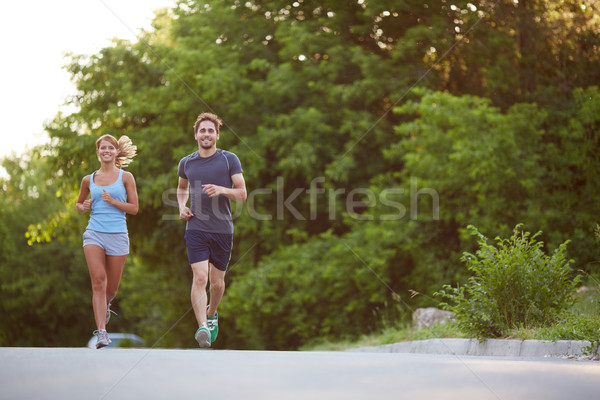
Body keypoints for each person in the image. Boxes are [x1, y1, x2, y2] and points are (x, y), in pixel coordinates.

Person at [177, 112, 246, 348]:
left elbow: (242, 194)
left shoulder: (229, 160)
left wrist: (221, 189)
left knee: (217, 283)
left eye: (210, 130)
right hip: (196, 226)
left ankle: (212, 312)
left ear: (217, 135)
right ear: (196, 135)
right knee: (200, 277)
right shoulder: (186, 163)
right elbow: (181, 188)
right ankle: (202, 327)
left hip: (222, 229)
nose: (206, 134)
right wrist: (181, 206)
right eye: (202, 130)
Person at [76, 134, 138, 349]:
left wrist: (113, 201)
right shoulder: (88, 179)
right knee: (98, 281)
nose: (106, 151)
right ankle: (102, 332)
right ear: (98, 152)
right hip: (94, 233)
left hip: (118, 235)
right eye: (103, 148)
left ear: (116, 152)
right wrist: (82, 206)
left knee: (111, 289)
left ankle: (107, 304)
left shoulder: (126, 177)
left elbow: (135, 208)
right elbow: (79, 203)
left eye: (110, 148)